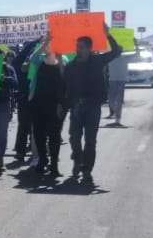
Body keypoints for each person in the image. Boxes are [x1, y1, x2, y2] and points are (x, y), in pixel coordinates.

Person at [63, 27, 123, 183]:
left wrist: (108, 34)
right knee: (74, 138)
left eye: (81, 47)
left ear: (89, 48)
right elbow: (65, 87)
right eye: (77, 46)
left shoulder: (98, 61)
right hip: (76, 107)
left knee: (90, 141)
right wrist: (64, 105)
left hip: (93, 107)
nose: (78, 49)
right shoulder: (71, 65)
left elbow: (116, 51)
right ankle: (78, 159)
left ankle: (87, 170)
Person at [27, 40, 68, 178]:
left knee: (54, 136)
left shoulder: (63, 60)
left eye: (51, 44)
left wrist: (62, 104)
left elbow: (65, 83)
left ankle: (54, 165)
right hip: (37, 103)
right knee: (39, 134)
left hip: (55, 105)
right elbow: (32, 58)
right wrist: (44, 44)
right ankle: (43, 160)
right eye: (46, 44)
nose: (48, 46)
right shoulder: (39, 59)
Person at [106, 41, 131, 125]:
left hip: (121, 80)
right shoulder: (110, 58)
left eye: (119, 50)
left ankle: (118, 119)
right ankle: (116, 113)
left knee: (119, 101)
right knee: (111, 100)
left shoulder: (125, 58)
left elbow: (137, 56)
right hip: (112, 80)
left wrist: (136, 46)